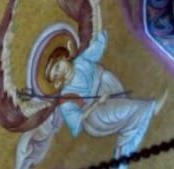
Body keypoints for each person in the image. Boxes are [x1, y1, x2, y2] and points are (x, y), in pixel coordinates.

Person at [48, 31, 166, 165]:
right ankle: (151, 108)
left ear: (63, 58)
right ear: (57, 81)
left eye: (57, 67)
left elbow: (98, 45)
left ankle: (121, 158)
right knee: (133, 109)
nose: (60, 72)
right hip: (98, 113)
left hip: (110, 88)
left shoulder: (81, 61)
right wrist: (97, 103)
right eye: (55, 75)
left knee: (131, 119)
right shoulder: (66, 95)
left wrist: (98, 33)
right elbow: (77, 121)